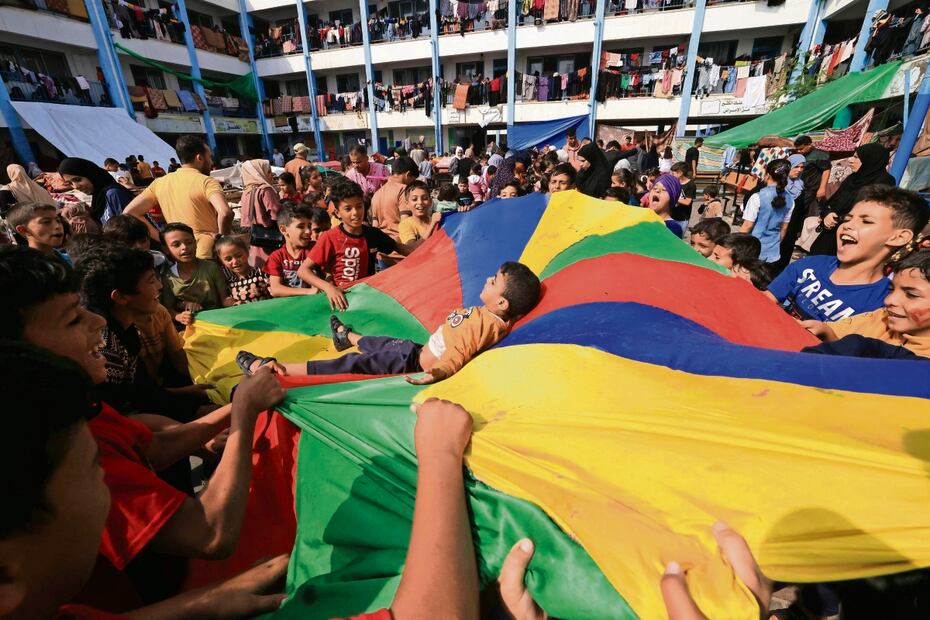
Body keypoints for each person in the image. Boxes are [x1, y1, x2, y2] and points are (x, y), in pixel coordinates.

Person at [0, 245, 288, 610]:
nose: (98, 322)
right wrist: (244, 416)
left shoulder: (78, 408)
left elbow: (150, 445)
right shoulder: (61, 441)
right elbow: (211, 534)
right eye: (73, 319)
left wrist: (234, 407)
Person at [237, 261, 541, 386]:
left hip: (413, 364)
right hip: (416, 351)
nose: (488, 279)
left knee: (351, 365)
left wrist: (436, 373)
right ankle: (347, 335)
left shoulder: (483, 324)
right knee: (381, 342)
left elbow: (458, 353)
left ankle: (275, 369)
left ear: (502, 303)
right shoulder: (492, 315)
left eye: (495, 281)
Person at [767, 186, 929, 322]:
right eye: (848, 218)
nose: (848, 225)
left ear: (899, 237)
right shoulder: (809, 266)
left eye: (866, 221)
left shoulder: (884, 305)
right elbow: (765, 300)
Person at [296, 178, 412, 309]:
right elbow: (303, 271)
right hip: (341, 303)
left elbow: (405, 250)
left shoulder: (373, 234)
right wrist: (329, 288)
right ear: (337, 213)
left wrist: (433, 250)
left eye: (359, 206)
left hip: (366, 300)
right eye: (348, 208)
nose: (355, 213)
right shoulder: (330, 237)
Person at [802, 249, 930, 358]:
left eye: (912, 295)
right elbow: (837, 339)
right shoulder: (881, 318)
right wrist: (826, 332)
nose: (888, 301)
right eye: (891, 289)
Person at [123, 135, 232, 259]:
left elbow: (129, 212)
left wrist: (162, 239)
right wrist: (223, 241)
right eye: (210, 157)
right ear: (199, 158)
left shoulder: (160, 183)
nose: (211, 162)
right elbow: (225, 212)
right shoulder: (207, 181)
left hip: (179, 255)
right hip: (207, 253)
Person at [809, 143, 895, 256]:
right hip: (831, 234)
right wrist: (827, 214)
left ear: (870, 160)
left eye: (856, 157)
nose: (850, 160)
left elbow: (870, 211)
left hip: (854, 238)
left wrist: (839, 218)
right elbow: (834, 201)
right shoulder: (853, 178)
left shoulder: (885, 182)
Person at [159, 222, 230, 327]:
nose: (184, 247)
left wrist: (236, 304)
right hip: (190, 328)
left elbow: (224, 299)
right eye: (176, 245)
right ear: (166, 250)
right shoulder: (167, 277)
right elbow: (169, 310)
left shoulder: (211, 267)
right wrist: (179, 316)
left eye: (189, 242)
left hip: (219, 323)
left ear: (196, 243)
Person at [264, 201, 329, 297]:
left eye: (309, 226)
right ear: (284, 230)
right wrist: (309, 292)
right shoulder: (276, 257)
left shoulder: (315, 248)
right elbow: (276, 289)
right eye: (301, 226)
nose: (308, 231)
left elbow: (329, 274)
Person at [739, 159, 795, 264]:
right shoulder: (791, 200)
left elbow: (747, 226)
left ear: (767, 175)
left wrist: (737, 245)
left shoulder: (757, 197)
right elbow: (784, 228)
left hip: (753, 250)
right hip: (773, 251)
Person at [58, 157, 135, 226]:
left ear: (91, 175)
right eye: (70, 183)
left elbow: (131, 229)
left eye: (78, 180)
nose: (75, 186)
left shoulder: (113, 194)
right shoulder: (97, 200)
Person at [371, 156, 419, 265]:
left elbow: (375, 226)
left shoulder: (377, 194)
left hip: (383, 253)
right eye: (413, 180)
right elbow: (405, 223)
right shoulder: (403, 190)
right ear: (407, 175)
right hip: (401, 252)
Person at [240, 159, 283, 269]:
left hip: (255, 236)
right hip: (271, 236)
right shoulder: (265, 190)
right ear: (259, 173)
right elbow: (276, 213)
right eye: (268, 171)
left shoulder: (246, 191)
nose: (272, 174)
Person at [215, 235, 273, 305]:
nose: (235, 261)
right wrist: (234, 303)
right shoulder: (230, 283)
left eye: (239, 256)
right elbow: (227, 301)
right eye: (228, 259)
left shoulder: (261, 274)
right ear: (222, 262)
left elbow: (275, 292)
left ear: (247, 252)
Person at [102, 214, 167, 268]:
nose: (139, 246)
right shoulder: (111, 277)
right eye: (130, 243)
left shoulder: (161, 261)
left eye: (143, 241)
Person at [398, 181, 443, 250]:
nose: (420, 202)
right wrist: (432, 225)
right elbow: (412, 249)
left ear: (430, 202)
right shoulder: (405, 224)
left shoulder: (439, 221)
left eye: (424, 198)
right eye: (414, 199)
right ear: (407, 204)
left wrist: (463, 213)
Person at [648, 174, 684, 238]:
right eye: (655, 188)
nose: (657, 190)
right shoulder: (643, 219)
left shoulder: (673, 228)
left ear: (672, 198)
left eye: (664, 190)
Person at [670, 162, 696, 235]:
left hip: (682, 218)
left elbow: (687, 202)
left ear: (680, 173)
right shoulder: (674, 182)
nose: (672, 175)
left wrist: (674, 198)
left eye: (673, 173)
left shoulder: (691, 185)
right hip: (671, 215)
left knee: (678, 238)